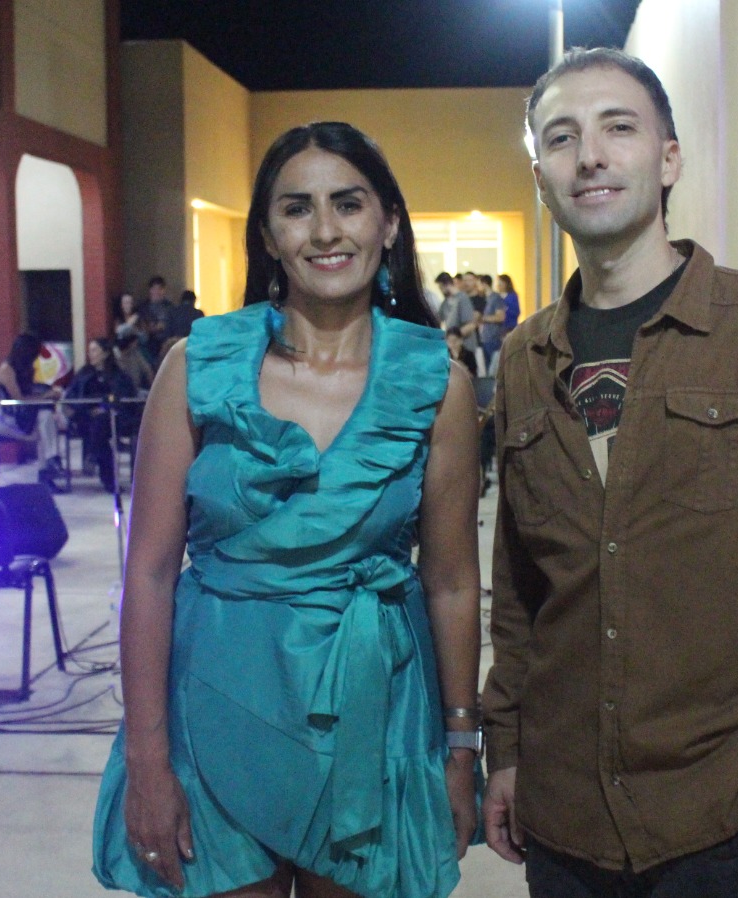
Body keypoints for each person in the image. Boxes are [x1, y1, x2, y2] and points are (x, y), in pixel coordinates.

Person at [481, 48, 738, 897]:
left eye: (618, 128)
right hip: (563, 821)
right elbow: (521, 590)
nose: (589, 156)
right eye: (561, 138)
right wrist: (506, 749)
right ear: (541, 178)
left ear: (668, 159)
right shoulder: (524, 359)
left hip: (722, 820)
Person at [93, 121, 482, 898]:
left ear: (389, 223)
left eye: (349, 203)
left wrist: (461, 747)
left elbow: (450, 583)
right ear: (269, 236)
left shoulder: (437, 383)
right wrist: (146, 757)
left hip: (375, 715)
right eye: (298, 208)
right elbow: (150, 575)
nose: (326, 230)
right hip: (213, 706)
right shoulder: (194, 367)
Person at [0, 332, 65, 491]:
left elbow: (28, 395)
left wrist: (48, 394)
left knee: (46, 419)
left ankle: (50, 465)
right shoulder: (7, 369)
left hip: (21, 415)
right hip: (4, 417)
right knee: (44, 429)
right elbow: (19, 399)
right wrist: (45, 396)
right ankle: (49, 468)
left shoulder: (25, 369)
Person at [63, 337, 138, 492]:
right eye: (90, 350)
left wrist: (105, 408)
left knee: (100, 425)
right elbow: (73, 396)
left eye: (94, 350)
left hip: (113, 418)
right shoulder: (84, 374)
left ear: (105, 353)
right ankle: (108, 478)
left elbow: (121, 397)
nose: (91, 354)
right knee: (97, 430)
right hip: (86, 417)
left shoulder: (118, 375)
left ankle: (93, 455)